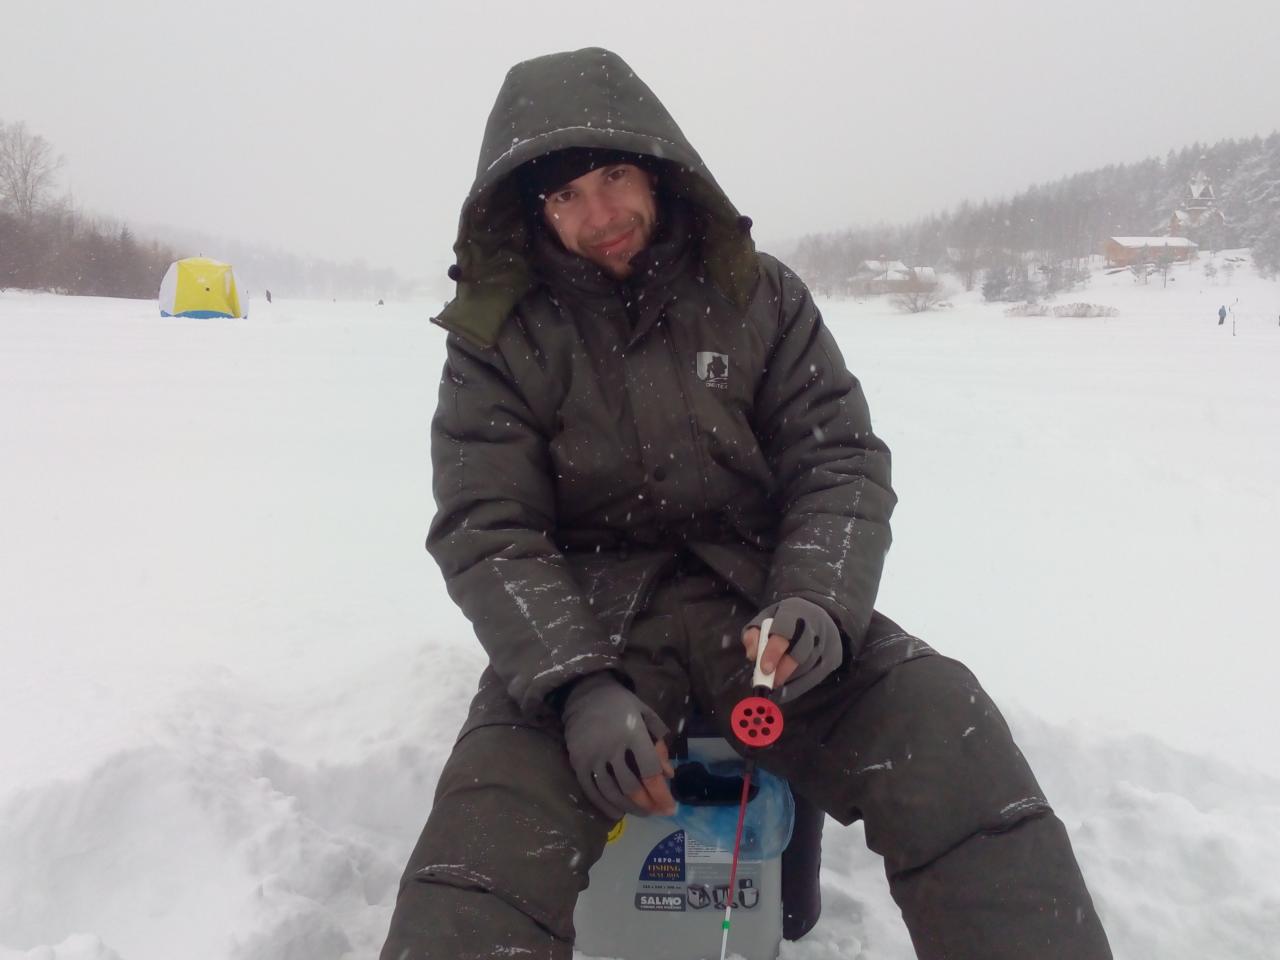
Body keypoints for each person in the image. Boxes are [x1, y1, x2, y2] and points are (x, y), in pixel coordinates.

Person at [382, 47, 1112, 960]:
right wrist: (573, 685)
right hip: (591, 626)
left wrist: (819, 601)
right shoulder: (498, 338)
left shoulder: (760, 294)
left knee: (943, 725)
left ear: (656, 168)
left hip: (761, 611)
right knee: (481, 851)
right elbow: (486, 525)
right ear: (534, 210)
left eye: (613, 178)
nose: (600, 214)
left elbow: (837, 459)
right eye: (567, 195)